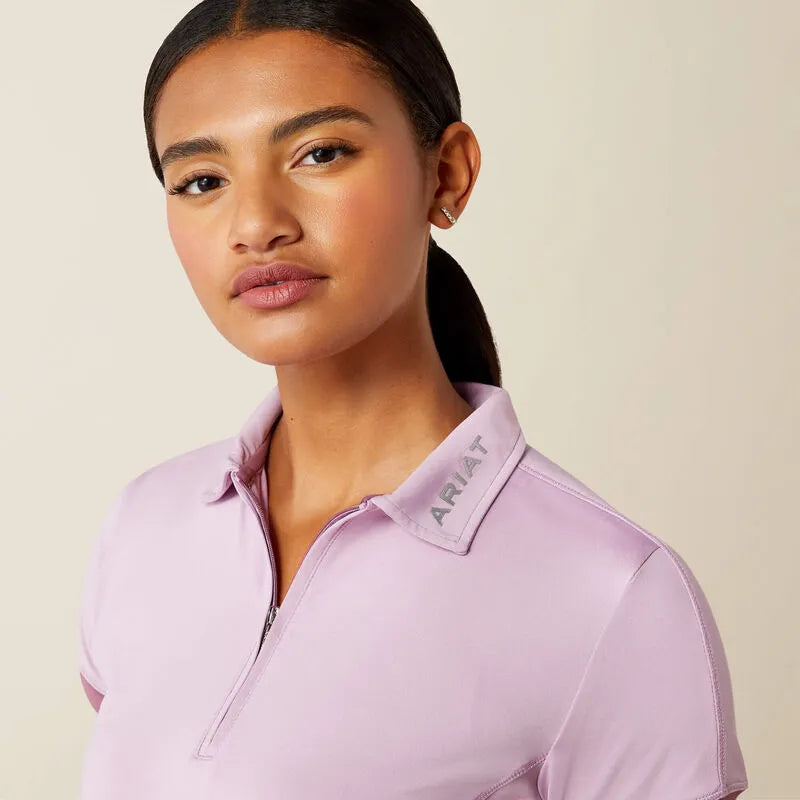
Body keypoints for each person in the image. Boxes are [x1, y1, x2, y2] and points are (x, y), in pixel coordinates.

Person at [76, 1, 749, 799]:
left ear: (447, 173)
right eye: (202, 181)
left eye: (320, 153)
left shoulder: (612, 593)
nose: (255, 224)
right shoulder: (144, 526)